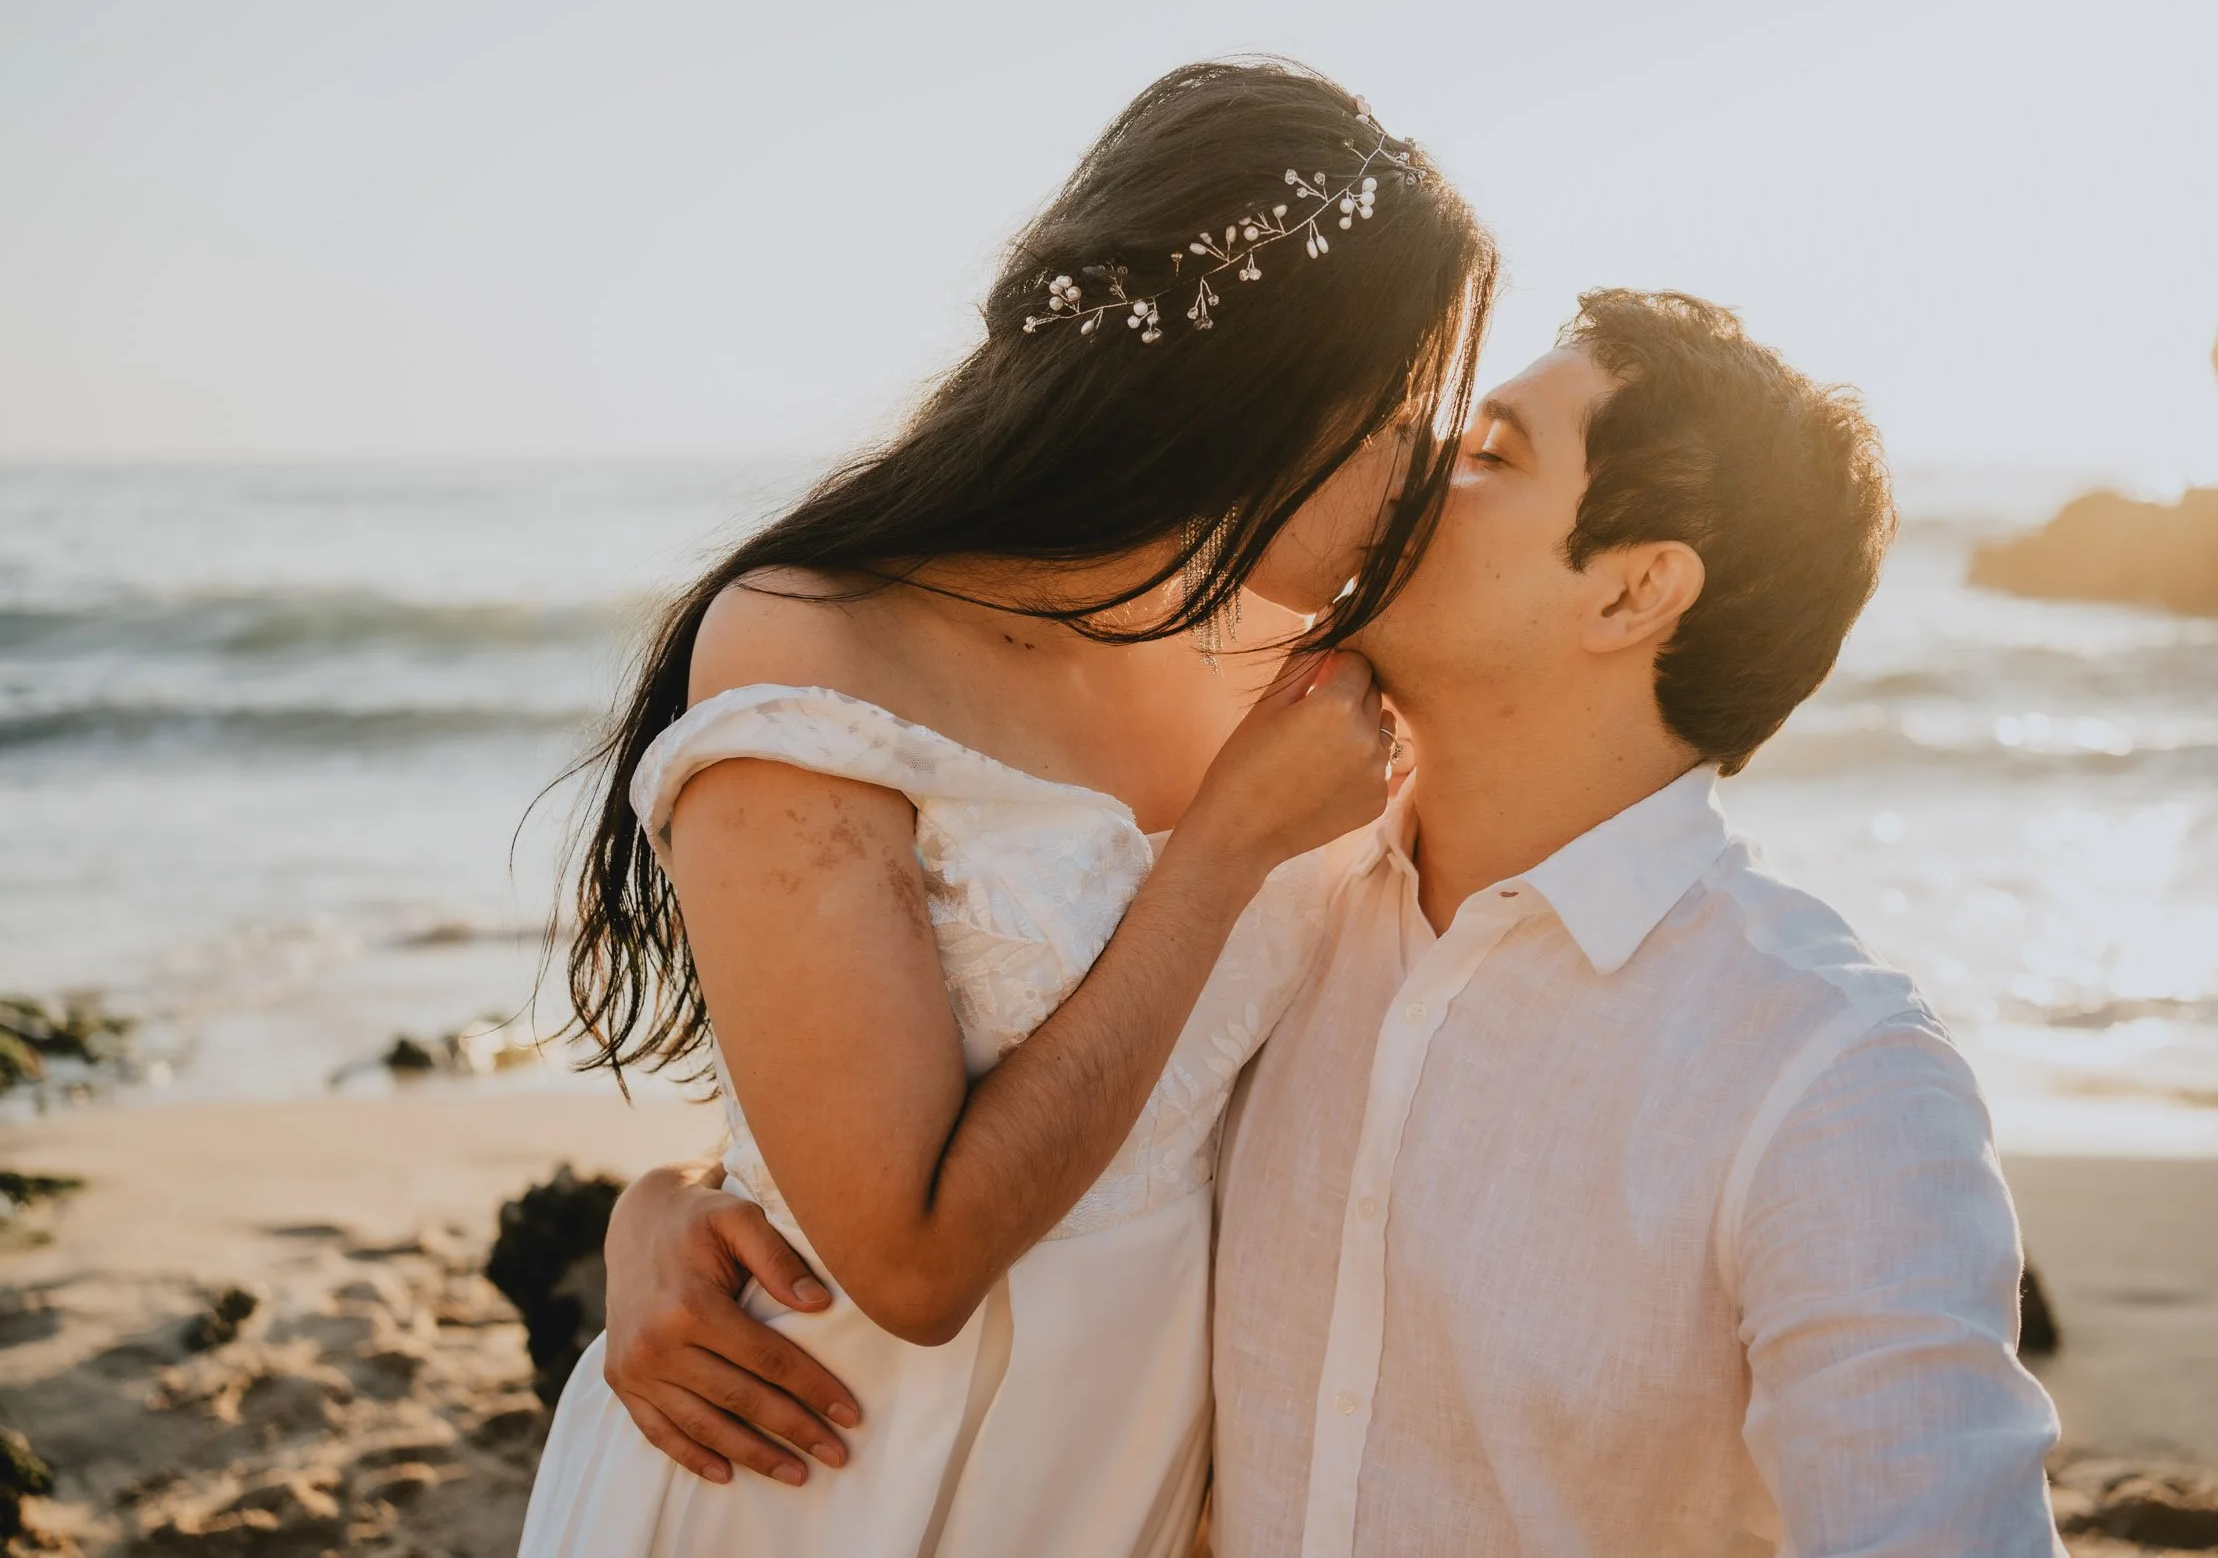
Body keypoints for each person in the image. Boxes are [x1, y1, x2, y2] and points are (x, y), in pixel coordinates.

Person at [608, 291, 2066, 1553]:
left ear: (1633, 589)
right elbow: (976, 1096)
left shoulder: (1825, 1081)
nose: (1412, 469)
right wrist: (675, 1202)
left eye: (1491, 454)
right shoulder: (1274, 896)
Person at [517, 58, 1497, 1558]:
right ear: (1263, 394)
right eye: (1404, 407)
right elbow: (910, 1256)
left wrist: (672, 1193)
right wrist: (1225, 844)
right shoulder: (814, 644)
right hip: (836, 1462)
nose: (1419, 466)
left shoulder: (1306, 673)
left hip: (1131, 1465)